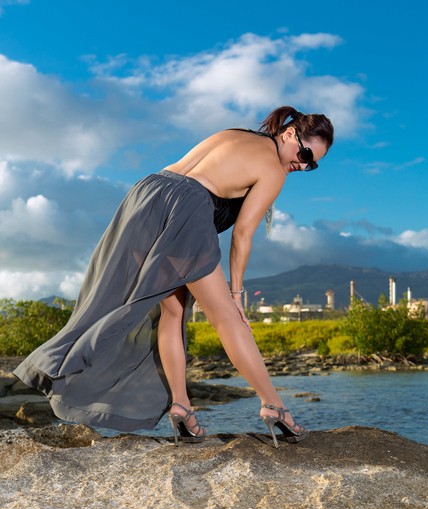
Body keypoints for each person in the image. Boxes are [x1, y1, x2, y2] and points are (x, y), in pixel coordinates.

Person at [15, 106, 334, 448]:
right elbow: (242, 235)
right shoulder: (273, 168)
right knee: (228, 317)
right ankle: (274, 406)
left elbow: (188, 178)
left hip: (147, 196)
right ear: (288, 134)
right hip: (186, 207)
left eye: (311, 165)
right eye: (304, 155)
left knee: (173, 311)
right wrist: (237, 294)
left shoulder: (234, 135)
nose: (302, 165)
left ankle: (180, 405)